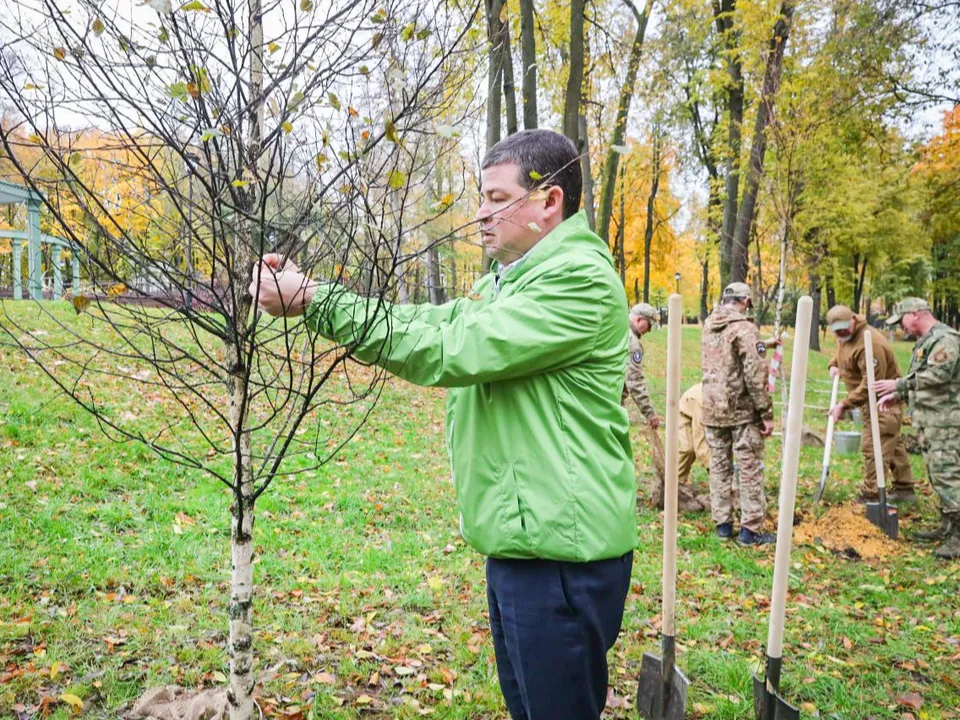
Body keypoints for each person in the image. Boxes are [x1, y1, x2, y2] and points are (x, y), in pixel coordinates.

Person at [250, 129, 637, 718]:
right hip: (525, 541)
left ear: (549, 201)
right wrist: (316, 291)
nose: (480, 213)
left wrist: (314, 302)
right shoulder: (508, 282)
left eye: (495, 197)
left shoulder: (578, 282)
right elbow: (425, 324)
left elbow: (454, 348)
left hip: (562, 557)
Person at [876, 298, 960, 559]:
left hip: (947, 422)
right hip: (931, 421)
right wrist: (899, 396)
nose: (901, 327)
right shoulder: (926, 342)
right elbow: (921, 379)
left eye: (901, 320)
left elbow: (939, 375)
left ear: (914, 314)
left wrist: (898, 385)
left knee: (949, 476)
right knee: (938, 475)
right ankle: (948, 525)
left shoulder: (946, 339)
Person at [701, 282, 776, 546]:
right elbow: (756, 375)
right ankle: (749, 530)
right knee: (748, 468)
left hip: (711, 408)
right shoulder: (745, 328)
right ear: (745, 301)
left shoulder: (709, 326)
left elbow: (726, 358)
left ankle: (723, 525)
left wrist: (763, 343)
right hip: (741, 410)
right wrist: (766, 412)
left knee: (719, 467)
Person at [825, 305, 916, 504]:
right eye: (837, 331)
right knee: (891, 444)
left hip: (884, 403)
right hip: (869, 404)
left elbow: (871, 385)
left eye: (843, 329)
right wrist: (833, 364)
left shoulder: (870, 343)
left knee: (874, 446)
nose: (840, 334)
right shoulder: (846, 336)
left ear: (853, 320)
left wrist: (844, 404)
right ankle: (904, 489)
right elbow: (842, 350)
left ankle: (872, 494)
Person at [622, 302, 660, 429]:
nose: (648, 331)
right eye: (649, 325)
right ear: (639, 319)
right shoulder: (632, 343)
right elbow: (634, 380)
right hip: (608, 400)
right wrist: (650, 413)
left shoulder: (617, 328)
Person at [676, 382, 711, 511]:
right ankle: (674, 486)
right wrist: (714, 471)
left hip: (707, 411)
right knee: (688, 449)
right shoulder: (702, 403)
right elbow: (701, 446)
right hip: (686, 409)